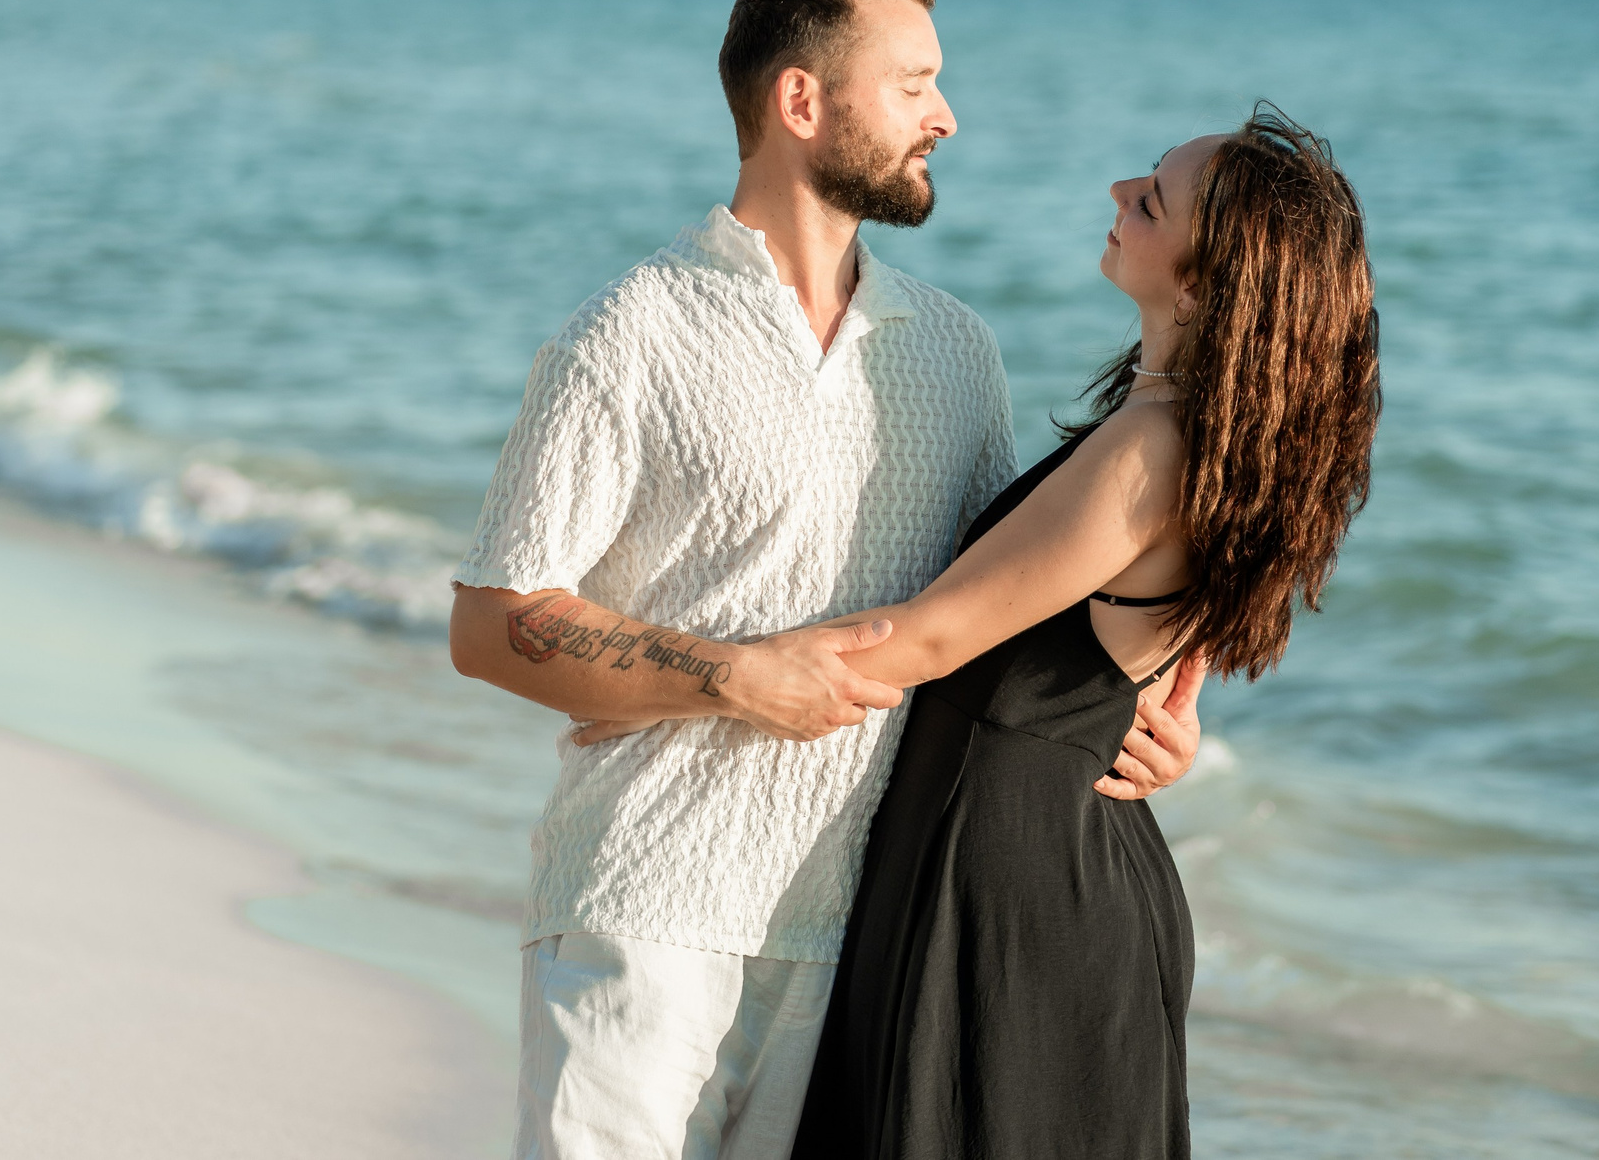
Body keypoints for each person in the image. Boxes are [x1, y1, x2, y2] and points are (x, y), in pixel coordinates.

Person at [446, 0, 1203, 1160]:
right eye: (913, 86)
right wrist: (730, 676)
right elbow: (491, 624)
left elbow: (999, 616)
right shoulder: (630, 333)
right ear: (802, 102)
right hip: (647, 905)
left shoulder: (954, 351)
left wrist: (1149, 699)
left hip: (860, 935)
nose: (944, 117)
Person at [581, 106, 1378, 1160]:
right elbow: (1111, 663)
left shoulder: (1153, 450)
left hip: (1012, 884)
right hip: (1028, 854)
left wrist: (675, 685)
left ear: (1200, 286)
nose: (1117, 194)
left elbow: (925, 640)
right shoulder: (1196, 442)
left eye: (1151, 200)